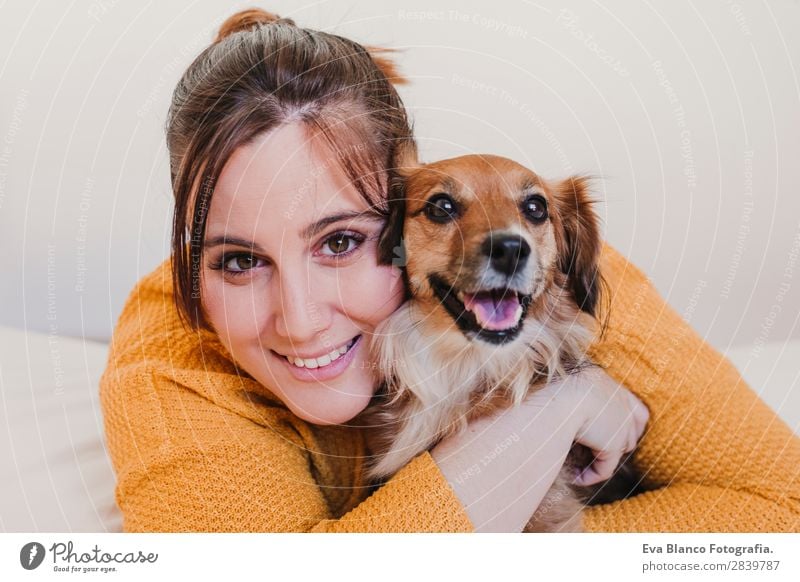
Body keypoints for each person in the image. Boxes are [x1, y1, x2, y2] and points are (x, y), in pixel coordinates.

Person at [99, 9, 800, 533]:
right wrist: (561, 408)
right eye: (241, 259)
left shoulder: (536, 267)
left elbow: (783, 508)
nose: (301, 318)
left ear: (403, 205)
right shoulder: (171, 357)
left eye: (341, 242)